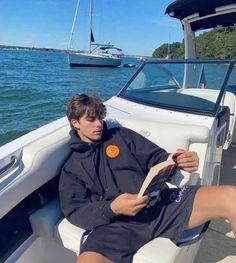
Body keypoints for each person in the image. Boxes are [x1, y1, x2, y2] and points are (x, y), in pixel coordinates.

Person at [59, 93, 236, 263]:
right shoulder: (72, 167)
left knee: (231, 196)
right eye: (91, 119)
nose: (98, 124)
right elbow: (75, 210)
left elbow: (157, 158)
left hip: (158, 204)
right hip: (115, 226)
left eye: (100, 117)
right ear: (75, 123)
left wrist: (178, 160)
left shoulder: (122, 136)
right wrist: (111, 208)